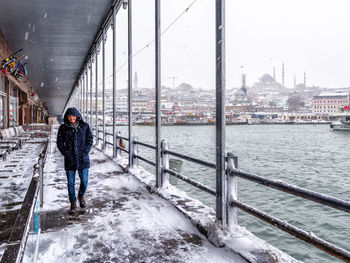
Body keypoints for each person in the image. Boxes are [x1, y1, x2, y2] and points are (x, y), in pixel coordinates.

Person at [57, 107, 93, 214]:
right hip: (70, 159)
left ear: (77, 116)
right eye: (69, 116)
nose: (71, 118)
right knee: (70, 183)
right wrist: (66, 153)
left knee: (85, 181)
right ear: (67, 117)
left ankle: (81, 195)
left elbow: (90, 140)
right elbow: (59, 143)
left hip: (83, 159)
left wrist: (85, 151)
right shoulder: (63, 128)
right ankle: (73, 202)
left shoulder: (85, 126)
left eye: (73, 116)